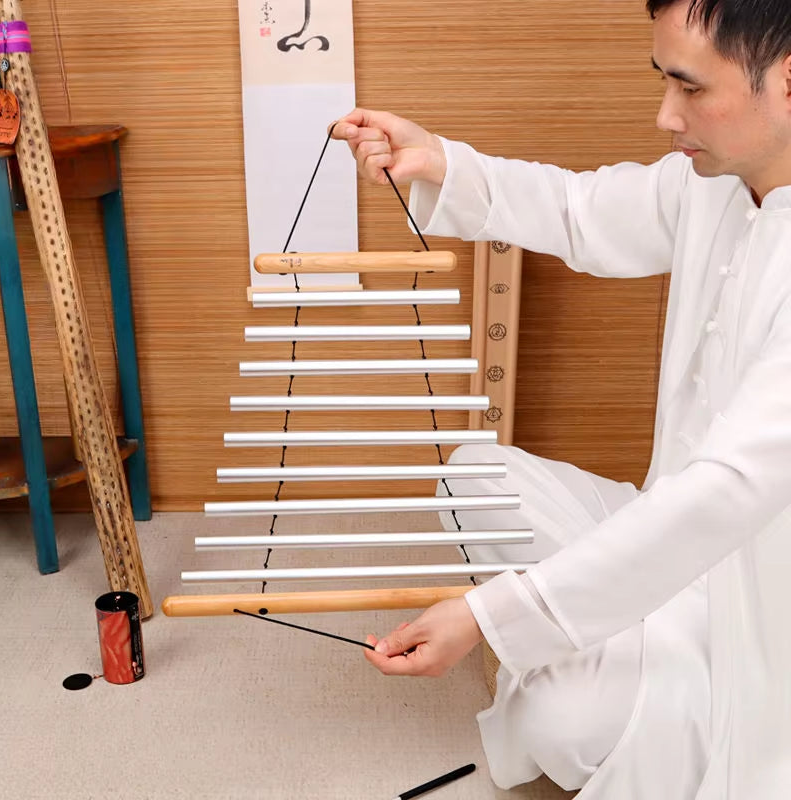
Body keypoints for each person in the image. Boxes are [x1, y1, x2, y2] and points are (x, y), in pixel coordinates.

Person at [331, 1, 791, 799]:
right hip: (671, 533)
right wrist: (439, 159)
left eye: (688, 87)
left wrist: (487, 618)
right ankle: (608, 623)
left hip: (762, 608)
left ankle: (622, 656)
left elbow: (728, 491)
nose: (665, 115)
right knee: (475, 475)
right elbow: (584, 210)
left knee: (560, 726)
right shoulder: (719, 179)